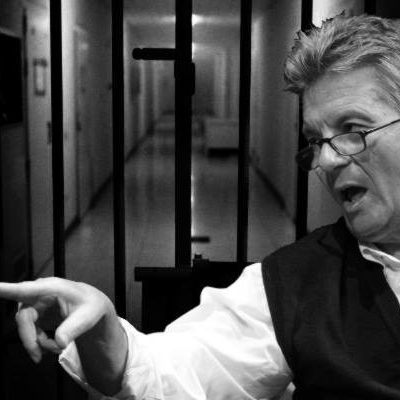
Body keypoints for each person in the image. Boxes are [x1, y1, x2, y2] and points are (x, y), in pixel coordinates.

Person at [2, 13, 400, 399]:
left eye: (352, 129)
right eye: (315, 140)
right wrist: (107, 338)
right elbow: (182, 371)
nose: (326, 160)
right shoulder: (294, 283)